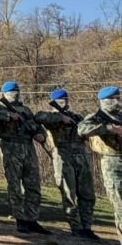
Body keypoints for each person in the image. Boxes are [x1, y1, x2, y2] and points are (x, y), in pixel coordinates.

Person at [0, 81, 51, 234]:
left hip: (28, 148)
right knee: (14, 185)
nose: (15, 94)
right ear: (5, 93)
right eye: (12, 91)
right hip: (10, 147)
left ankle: (32, 219)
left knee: (33, 184)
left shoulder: (25, 110)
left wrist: (41, 135)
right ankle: (20, 219)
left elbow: (35, 125)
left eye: (16, 91)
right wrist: (8, 115)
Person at [35, 89, 97, 237]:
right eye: (61, 100)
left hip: (81, 156)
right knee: (69, 194)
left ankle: (87, 226)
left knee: (87, 193)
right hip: (63, 157)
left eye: (66, 99)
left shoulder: (76, 116)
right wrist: (60, 117)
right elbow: (39, 117)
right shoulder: (51, 117)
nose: (65, 102)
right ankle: (76, 227)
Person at [77, 87, 122, 245]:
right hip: (112, 163)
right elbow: (82, 129)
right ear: (106, 101)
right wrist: (110, 128)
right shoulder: (96, 117)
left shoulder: (120, 116)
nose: (118, 101)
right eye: (115, 98)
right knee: (120, 205)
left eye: (119, 98)